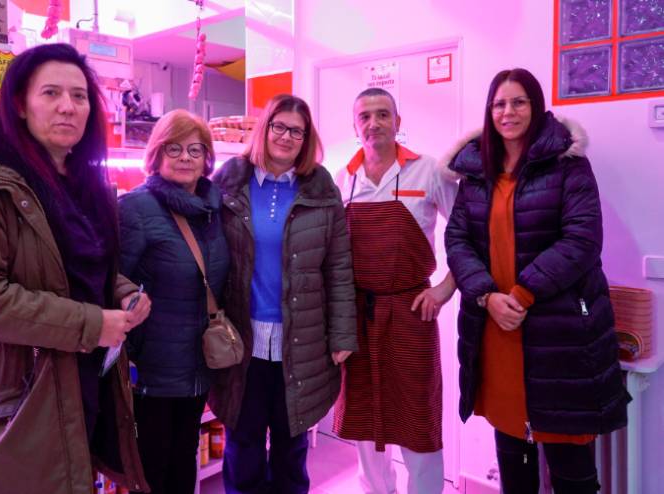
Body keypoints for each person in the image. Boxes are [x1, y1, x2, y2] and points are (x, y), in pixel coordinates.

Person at [0, 43, 151, 493]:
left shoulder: (82, 184)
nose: (68, 106)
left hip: (73, 387)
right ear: (21, 105)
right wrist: (91, 324)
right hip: (9, 410)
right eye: (51, 93)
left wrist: (121, 291)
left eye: (79, 96)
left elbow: (71, 266)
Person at [444, 68, 630, 493]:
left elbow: (582, 239)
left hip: (559, 334)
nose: (507, 112)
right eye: (499, 104)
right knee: (515, 457)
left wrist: (523, 293)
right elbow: (457, 239)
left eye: (518, 102)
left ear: (536, 106)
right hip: (497, 330)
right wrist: (486, 296)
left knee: (571, 470)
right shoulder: (476, 172)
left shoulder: (568, 165)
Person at [210, 94, 357, 494]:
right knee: (243, 445)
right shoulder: (229, 180)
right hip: (242, 339)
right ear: (265, 128)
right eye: (279, 126)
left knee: (291, 448)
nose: (287, 137)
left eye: (297, 131)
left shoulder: (321, 188)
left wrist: (343, 334)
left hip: (302, 340)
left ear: (306, 139)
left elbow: (339, 266)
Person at [333, 87, 458, 494]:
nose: (374, 123)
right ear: (355, 126)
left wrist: (445, 288)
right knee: (364, 418)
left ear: (398, 122)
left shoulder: (429, 170)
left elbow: (468, 235)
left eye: (383, 114)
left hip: (412, 313)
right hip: (358, 314)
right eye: (365, 116)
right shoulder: (343, 178)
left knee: (417, 417)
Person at [118, 109, 230, 494]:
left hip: (199, 362)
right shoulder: (136, 208)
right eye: (175, 148)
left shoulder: (213, 210)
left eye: (195, 150)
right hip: (153, 368)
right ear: (157, 154)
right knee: (152, 468)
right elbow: (111, 277)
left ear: (207, 158)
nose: (185, 158)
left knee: (184, 460)